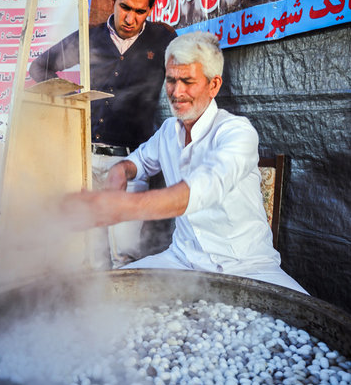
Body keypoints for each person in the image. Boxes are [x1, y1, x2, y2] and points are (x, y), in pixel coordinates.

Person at [63, 31, 307, 294]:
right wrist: (119, 172)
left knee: (305, 330)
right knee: (107, 295)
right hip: (181, 261)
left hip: (246, 267)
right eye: (170, 80)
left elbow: (204, 188)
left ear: (214, 85)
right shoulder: (169, 131)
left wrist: (122, 207)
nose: (176, 92)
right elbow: (138, 161)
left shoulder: (237, 132)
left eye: (188, 81)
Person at [30, 0, 176, 268]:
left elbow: (186, 75)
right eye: (125, 7)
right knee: (82, 249)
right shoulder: (90, 36)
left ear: (151, 9)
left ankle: (122, 313)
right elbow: (39, 67)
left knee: (125, 252)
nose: (130, 18)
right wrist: (70, 102)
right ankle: (86, 312)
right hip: (81, 159)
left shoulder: (162, 41)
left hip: (130, 162)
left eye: (140, 11)